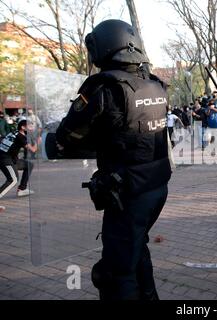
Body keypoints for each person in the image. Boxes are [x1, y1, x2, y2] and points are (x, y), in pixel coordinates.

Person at [55, 19, 172, 300]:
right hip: (156, 188)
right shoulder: (155, 85)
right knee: (136, 248)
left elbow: (67, 136)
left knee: (116, 275)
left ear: (104, 46)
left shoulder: (104, 88)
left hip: (127, 193)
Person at [0, 119, 37, 198]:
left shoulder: (14, 132)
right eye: (30, 126)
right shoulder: (21, 137)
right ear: (23, 127)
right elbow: (33, 150)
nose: (32, 128)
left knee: (29, 165)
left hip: (12, 159)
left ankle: (22, 189)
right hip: (4, 160)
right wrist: (37, 141)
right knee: (13, 179)